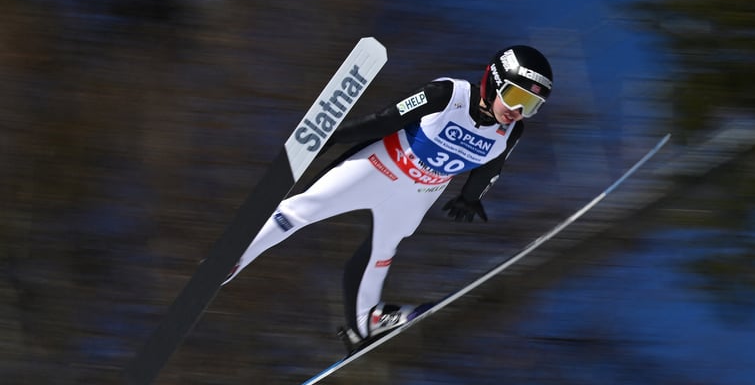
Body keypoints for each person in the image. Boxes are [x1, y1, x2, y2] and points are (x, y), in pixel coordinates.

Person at [223, 44, 553, 350]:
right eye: (514, 97)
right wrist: (334, 137)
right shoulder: (447, 94)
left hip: (419, 192)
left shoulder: (511, 131)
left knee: (383, 250)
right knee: (303, 210)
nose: (518, 111)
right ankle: (234, 259)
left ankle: (364, 322)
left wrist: (471, 196)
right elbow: (387, 119)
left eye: (532, 105)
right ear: (494, 81)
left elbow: (491, 167)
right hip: (377, 168)